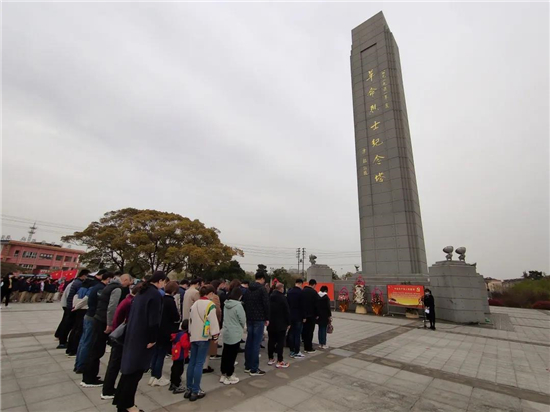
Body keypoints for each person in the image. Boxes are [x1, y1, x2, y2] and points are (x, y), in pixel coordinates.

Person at [114, 272, 166, 412]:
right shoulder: (155, 295)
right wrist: (152, 338)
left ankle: (121, 401)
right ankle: (127, 405)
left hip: (133, 333)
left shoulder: (142, 291)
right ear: (160, 281)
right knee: (135, 372)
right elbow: (154, 320)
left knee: (128, 371)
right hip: (143, 337)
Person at [81, 273, 132, 387]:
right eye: (128, 281)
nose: (129, 283)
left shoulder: (108, 286)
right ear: (123, 280)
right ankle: (89, 378)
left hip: (98, 318)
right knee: (97, 350)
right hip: (103, 322)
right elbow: (112, 307)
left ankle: (88, 375)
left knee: (94, 348)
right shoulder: (117, 289)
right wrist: (110, 324)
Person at [101, 283, 143, 400]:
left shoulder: (127, 300)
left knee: (114, 364)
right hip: (120, 337)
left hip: (118, 335)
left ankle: (109, 388)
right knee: (114, 364)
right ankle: (108, 390)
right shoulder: (130, 303)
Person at [186, 285, 220, 401]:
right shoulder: (210, 305)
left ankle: (189, 388)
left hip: (194, 335)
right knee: (199, 363)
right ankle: (196, 390)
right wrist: (216, 335)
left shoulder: (194, 304)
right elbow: (213, 322)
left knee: (192, 363)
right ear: (209, 293)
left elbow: (190, 320)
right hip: (204, 336)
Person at [74, 271, 111, 373]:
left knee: (83, 341)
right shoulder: (101, 288)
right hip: (92, 316)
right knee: (88, 342)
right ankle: (81, 366)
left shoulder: (96, 286)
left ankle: (78, 364)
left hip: (89, 315)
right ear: (108, 279)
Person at [149, 280, 180, 387]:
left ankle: (153, 375)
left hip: (157, 329)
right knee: (161, 354)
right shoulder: (170, 301)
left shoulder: (160, 298)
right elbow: (176, 317)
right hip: (166, 331)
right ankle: (157, 376)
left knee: (155, 353)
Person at [242, 273, 270, 376]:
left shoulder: (248, 289)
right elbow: (266, 304)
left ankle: (247, 366)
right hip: (259, 318)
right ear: (262, 279)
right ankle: (254, 368)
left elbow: (244, 303)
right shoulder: (262, 290)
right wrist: (267, 317)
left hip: (249, 318)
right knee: (256, 343)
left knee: (249, 341)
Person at [58, 269, 90, 349]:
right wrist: (72, 307)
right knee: (68, 325)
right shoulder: (78, 283)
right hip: (71, 307)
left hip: (69, 306)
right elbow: (71, 296)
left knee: (67, 324)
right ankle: (62, 342)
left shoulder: (75, 282)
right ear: (84, 275)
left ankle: (62, 339)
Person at [220, 287, 246, 384]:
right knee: (232, 355)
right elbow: (242, 319)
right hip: (235, 332)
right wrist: (242, 327)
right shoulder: (238, 306)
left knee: (226, 353)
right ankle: (229, 375)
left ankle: (223, 374)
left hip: (226, 331)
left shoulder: (226, 304)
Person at [267, 283, 290, 368]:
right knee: (280, 342)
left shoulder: (270, 296)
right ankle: (280, 360)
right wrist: (288, 322)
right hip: (281, 323)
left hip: (271, 323)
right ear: (281, 288)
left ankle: (270, 358)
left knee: (271, 341)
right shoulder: (282, 298)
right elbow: (287, 311)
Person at [169, 319, 190, 394]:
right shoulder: (184, 335)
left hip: (175, 354)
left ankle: (172, 383)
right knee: (179, 370)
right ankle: (176, 385)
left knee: (174, 368)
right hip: (180, 355)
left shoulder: (178, 334)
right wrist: (190, 344)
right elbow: (185, 345)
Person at [286, 279, 305, 358]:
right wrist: (304, 316)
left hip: (290, 315)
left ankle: (292, 351)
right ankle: (297, 351)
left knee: (291, 333)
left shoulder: (289, 292)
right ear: (300, 284)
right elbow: (303, 305)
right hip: (298, 316)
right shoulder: (301, 293)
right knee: (297, 334)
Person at [301, 279, 319, 354]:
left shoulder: (302, 291)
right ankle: (308, 348)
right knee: (310, 332)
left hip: (303, 315)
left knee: (304, 331)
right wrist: (317, 314)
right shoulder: (314, 293)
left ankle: (305, 346)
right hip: (311, 315)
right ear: (314, 284)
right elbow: (316, 305)